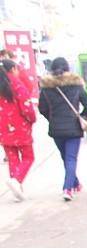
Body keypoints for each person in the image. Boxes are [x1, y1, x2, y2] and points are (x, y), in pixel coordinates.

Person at [38, 57, 87, 201]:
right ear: (68, 68)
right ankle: (67, 189)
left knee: (66, 158)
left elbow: (42, 108)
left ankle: (75, 183)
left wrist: (52, 119)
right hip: (74, 128)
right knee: (70, 159)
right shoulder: (76, 85)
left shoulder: (46, 87)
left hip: (56, 129)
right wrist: (81, 117)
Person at [0, 65, 35, 201]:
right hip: (19, 127)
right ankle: (16, 180)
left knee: (13, 159)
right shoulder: (15, 84)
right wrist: (32, 119)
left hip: (3, 129)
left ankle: (17, 191)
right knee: (28, 157)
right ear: (13, 69)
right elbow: (26, 107)